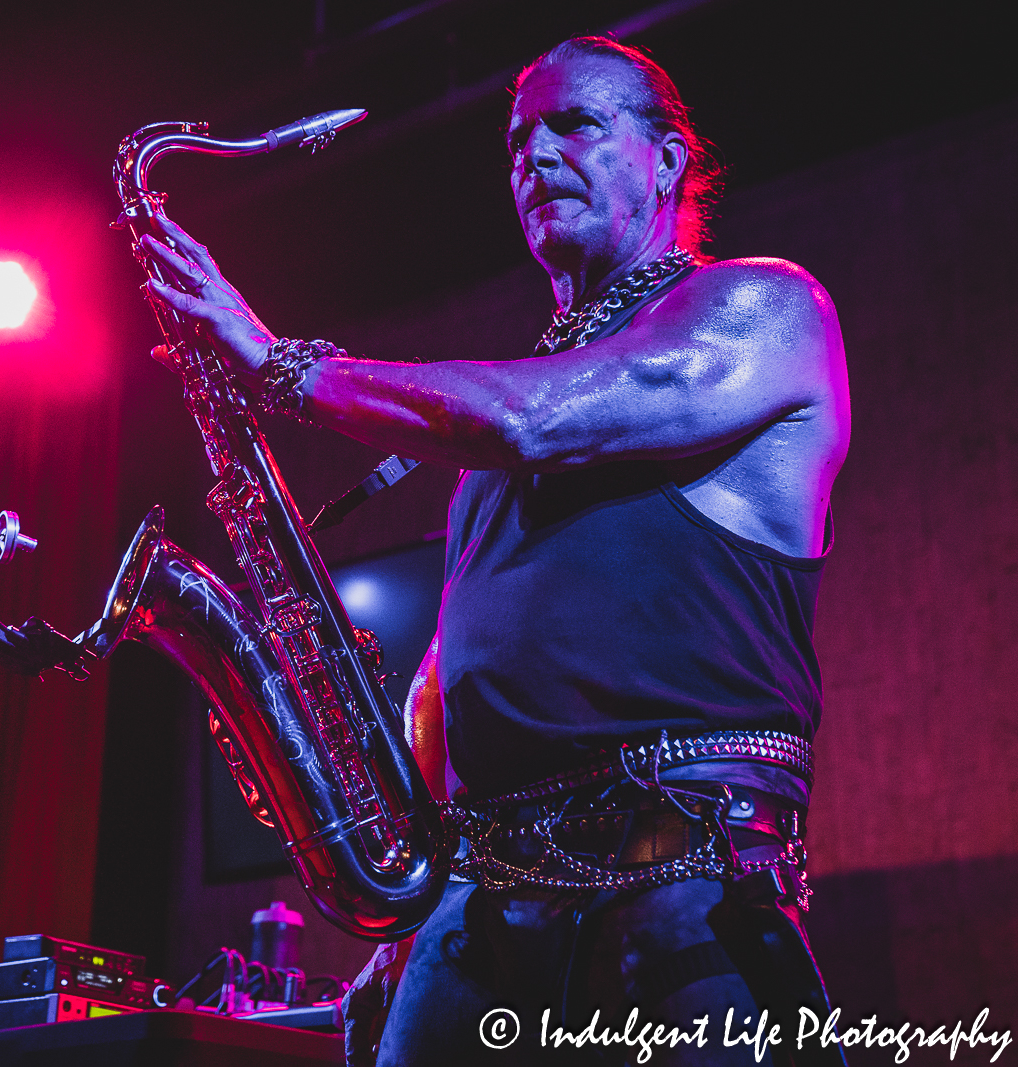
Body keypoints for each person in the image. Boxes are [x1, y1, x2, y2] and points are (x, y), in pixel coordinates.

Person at [142, 35, 849, 1067]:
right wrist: (407, 902)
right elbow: (445, 668)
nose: (536, 155)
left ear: (665, 161)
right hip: (479, 899)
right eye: (518, 139)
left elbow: (537, 420)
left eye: (576, 124)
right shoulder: (499, 434)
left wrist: (286, 367)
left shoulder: (763, 307)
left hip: (682, 870)